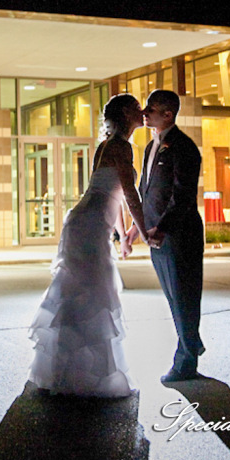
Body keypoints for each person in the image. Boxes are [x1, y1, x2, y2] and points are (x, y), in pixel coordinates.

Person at [28, 94, 148, 397]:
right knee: (93, 295)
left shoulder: (105, 146)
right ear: (125, 115)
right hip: (90, 225)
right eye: (136, 108)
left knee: (84, 294)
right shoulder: (120, 146)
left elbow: (113, 196)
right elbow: (129, 192)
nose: (141, 111)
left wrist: (122, 236)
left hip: (87, 222)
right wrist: (145, 229)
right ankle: (89, 375)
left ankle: (72, 371)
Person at [123, 90, 205, 383]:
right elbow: (148, 193)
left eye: (151, 109)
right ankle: (191, 342)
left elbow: (182, 196)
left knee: (184, 296)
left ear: (168, 114)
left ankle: (186, 362)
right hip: (157, 235)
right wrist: (137, 227)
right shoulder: (150, 147)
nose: (145, 113)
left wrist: (163, 228)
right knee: (174, 298)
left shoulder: (183, 147)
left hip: (179, 236)